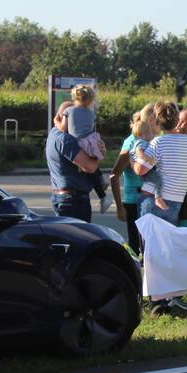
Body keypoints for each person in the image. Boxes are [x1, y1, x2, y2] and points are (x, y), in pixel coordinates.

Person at [133, 102, 187, 226]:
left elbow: (140, 170)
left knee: (149, 242)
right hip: (176, 200)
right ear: (177, 119)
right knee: (166, 242)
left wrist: (135, 159)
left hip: (151, 199)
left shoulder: (158, 142)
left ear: (157, 121)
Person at [46, 106, 105, 222]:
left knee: (67, 237)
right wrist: (100, 153)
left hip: (62, 196)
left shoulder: (53, 134)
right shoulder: (66, 140)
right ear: (62, 118)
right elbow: (90, 167)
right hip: (73, 200)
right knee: (79, 238)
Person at [110, 107, 156, 253]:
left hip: (149, 197)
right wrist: (119, 206)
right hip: (135, 199)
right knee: (137, 244)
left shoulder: (151, 140)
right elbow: (114, 175)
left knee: (149, 242)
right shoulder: (132, 143)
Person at [62, 85, 112, 214]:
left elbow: (63, 130)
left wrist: (58, 121)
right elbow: (91, 128)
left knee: (87, 169)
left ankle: (102, 193)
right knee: (92, 167)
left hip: (78, 143)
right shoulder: (91, 113)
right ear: (91, 100)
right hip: (91, 142)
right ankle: (101, 184)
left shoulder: (69, 110)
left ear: (74, 97)